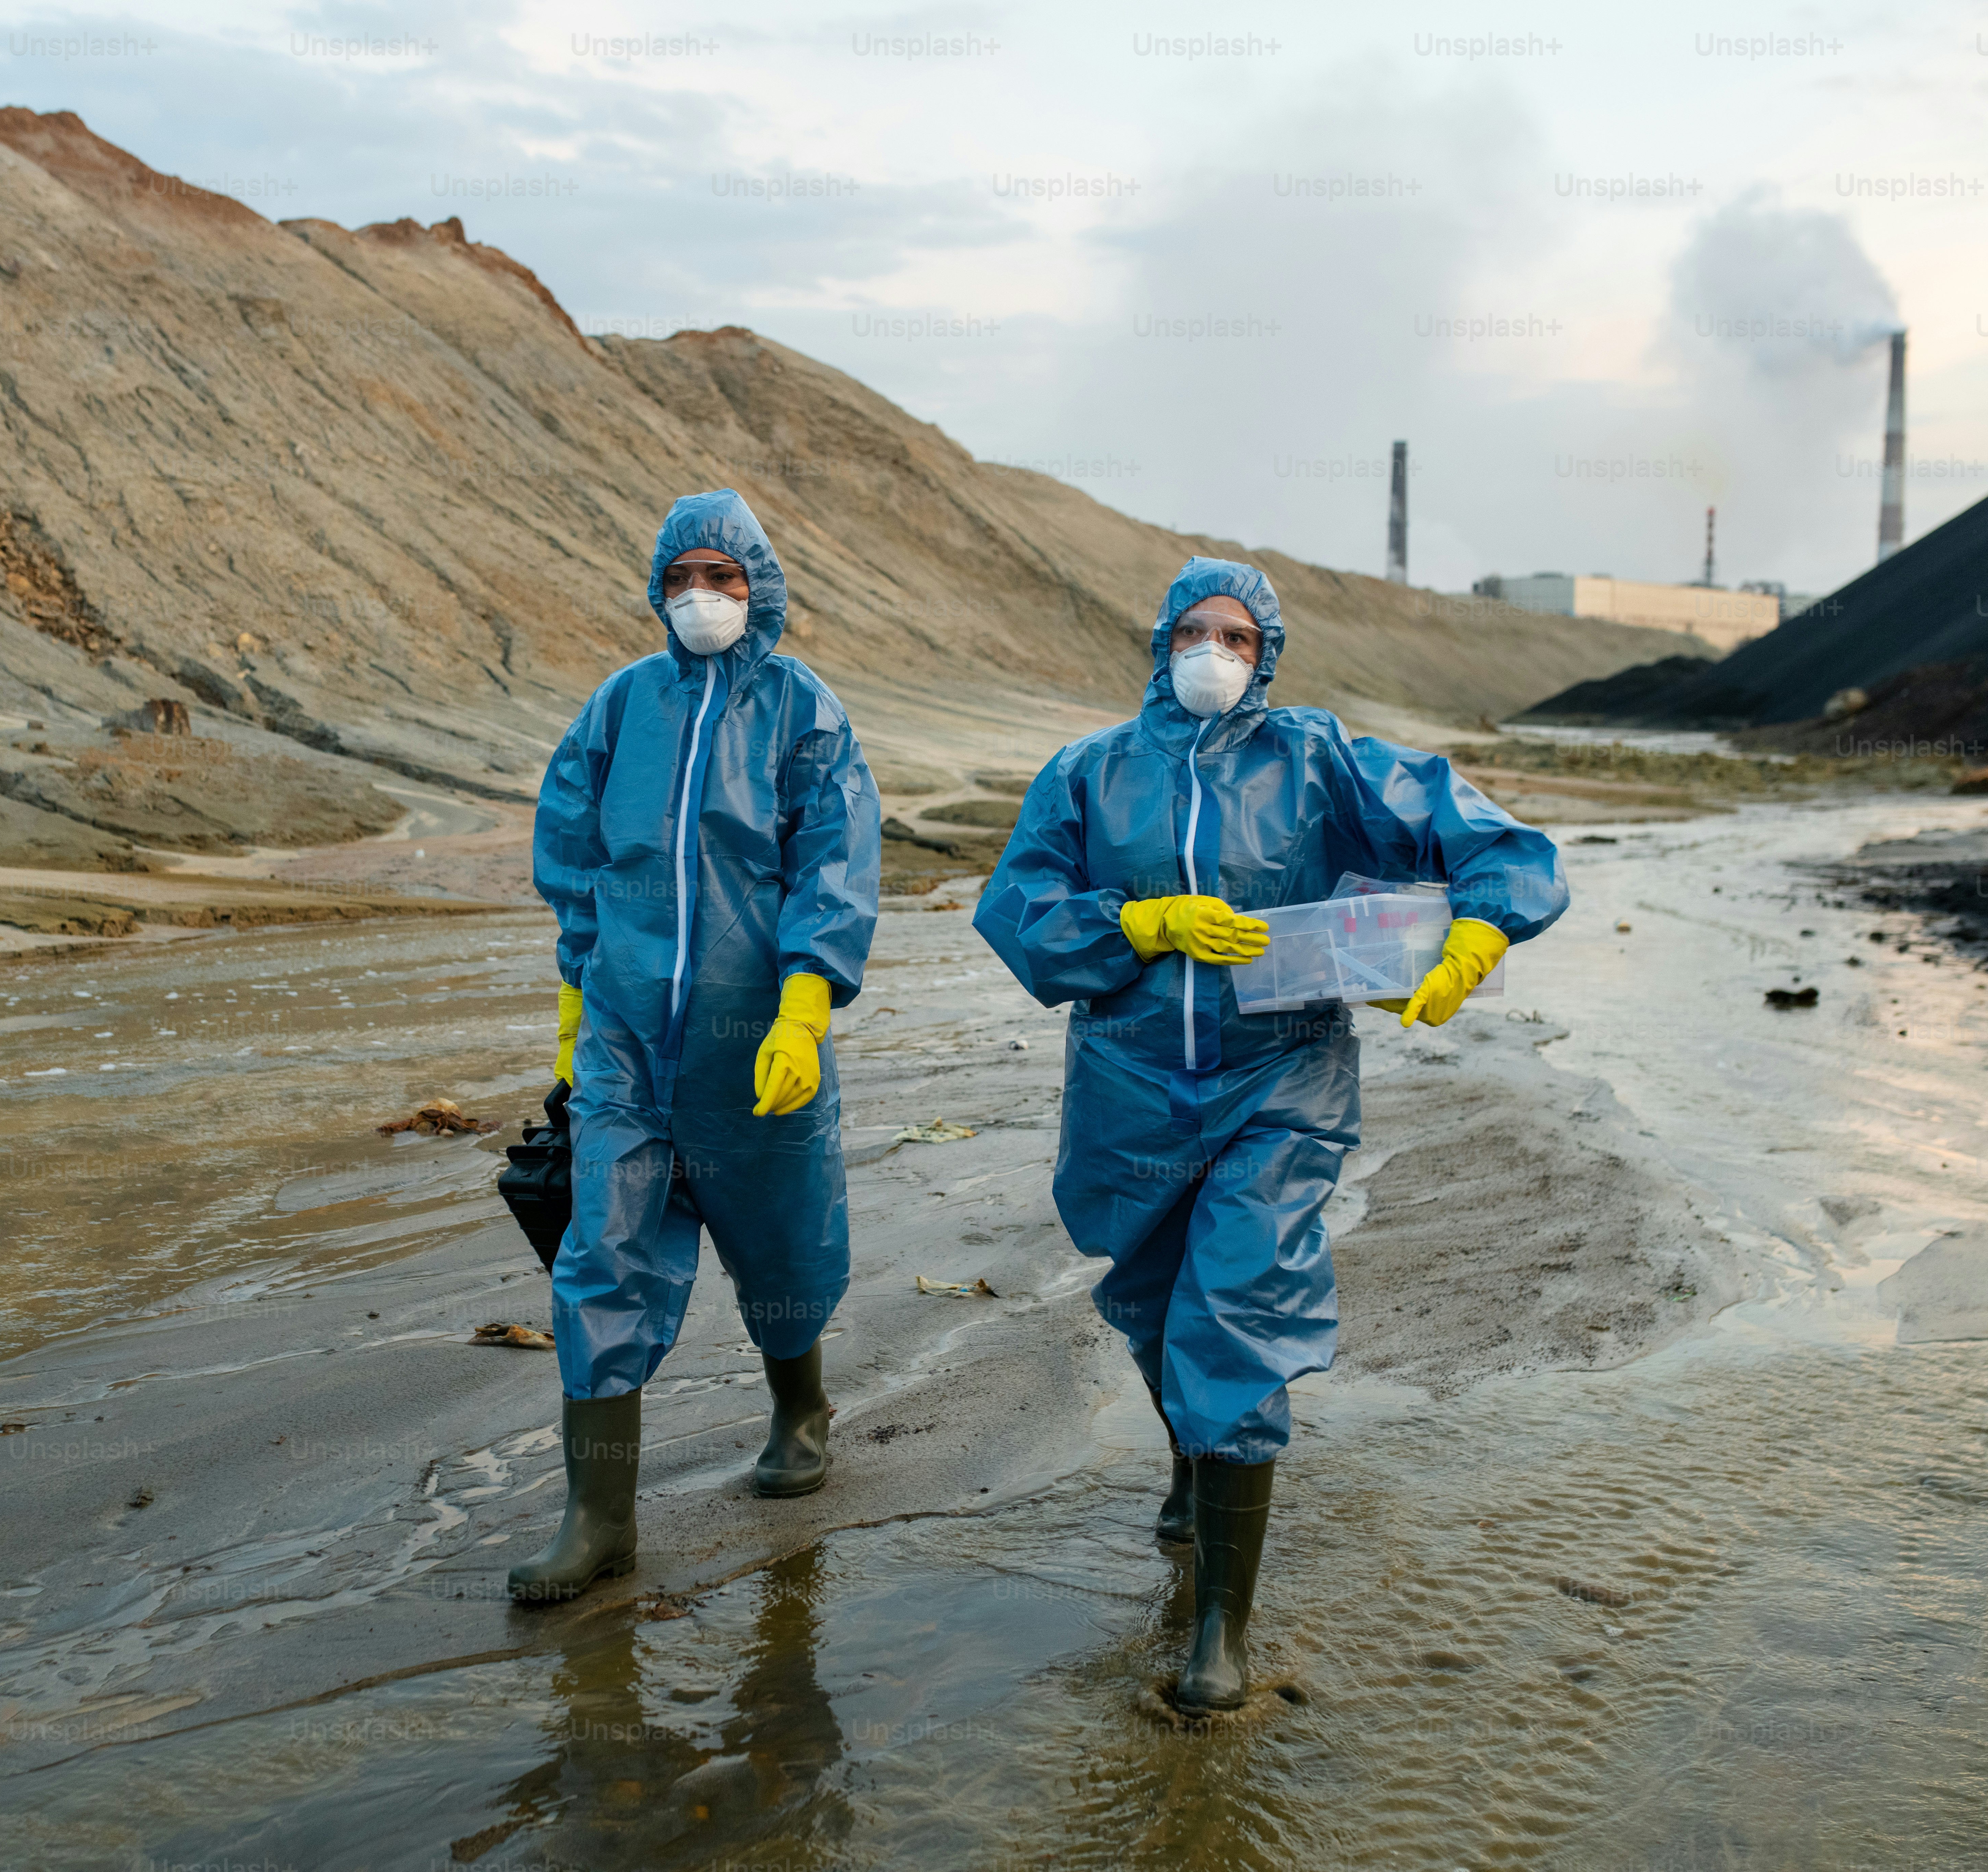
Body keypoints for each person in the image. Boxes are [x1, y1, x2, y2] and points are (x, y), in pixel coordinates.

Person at [974, 556, 1567, 1714]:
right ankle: (1195, 1463)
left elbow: (1488, 837)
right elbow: (1019, 909)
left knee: (1237, 1310)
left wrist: (1480, 937)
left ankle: (1219, 1634)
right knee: (1148, 1303)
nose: (1216, 652)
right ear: (1161, 644)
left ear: (1268, 656)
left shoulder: (1318, 760)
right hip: (1127, 1080)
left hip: (1280, 1080)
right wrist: (1134, 922)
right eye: (1196, 631)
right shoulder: (1090, 774)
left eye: (1240, 639)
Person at [513, 489, 882, 1602]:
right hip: (627, 1036)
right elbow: (577, 857)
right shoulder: (621, 709)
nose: (701, 598)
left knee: (776, 1238)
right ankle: (599, 1519)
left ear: (760, 587)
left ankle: (800, 1408)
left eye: (723, 577)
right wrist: (581, 1004)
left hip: (757, 1032)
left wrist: (805, 1009)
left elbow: (832, 863)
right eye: (682, 578)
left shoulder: (801, 712)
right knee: (601, 1258)